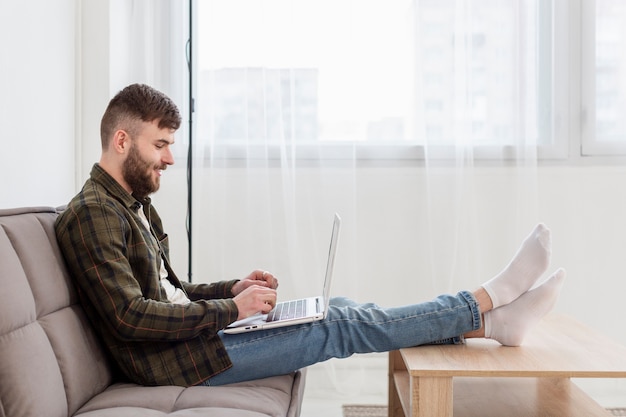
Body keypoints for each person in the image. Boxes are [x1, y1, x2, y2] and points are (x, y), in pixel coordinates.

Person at [55, 83, 566, 388]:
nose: (169, 157)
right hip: (174, 363)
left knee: (335, 305)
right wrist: (234, 313)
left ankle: (491, 325)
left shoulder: (132, 204)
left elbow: (170, 293)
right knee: (336, 327)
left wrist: (231, 291)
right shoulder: (93, 213)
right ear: (122, 140)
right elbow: (130, 317)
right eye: (160, 144)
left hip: (190, 340)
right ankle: (483, 301)